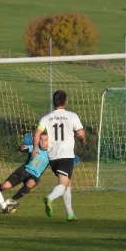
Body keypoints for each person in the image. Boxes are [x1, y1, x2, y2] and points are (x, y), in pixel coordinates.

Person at [32, 90, 85, 222]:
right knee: (63, 183)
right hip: (66, 155)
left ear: (53, 102)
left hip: (53, 157)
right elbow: (81, 133)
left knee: (67, 183)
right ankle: (50, 198)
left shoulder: (46, 118)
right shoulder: (72, 116)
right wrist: (83, 140)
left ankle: (70, 213)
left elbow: (37, 134)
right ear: (65, 102)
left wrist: (35, 149)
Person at [0, 132, 50, 210]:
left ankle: (12, 200)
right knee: (5, 186)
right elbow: (23, 148)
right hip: (24, 171)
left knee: (30, 184)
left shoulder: (51, 153)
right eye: (41, 139)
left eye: (45, 140)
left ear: (49, 141)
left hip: (35, 175)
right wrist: (22, 147)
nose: (43, 142)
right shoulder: (35, 148)